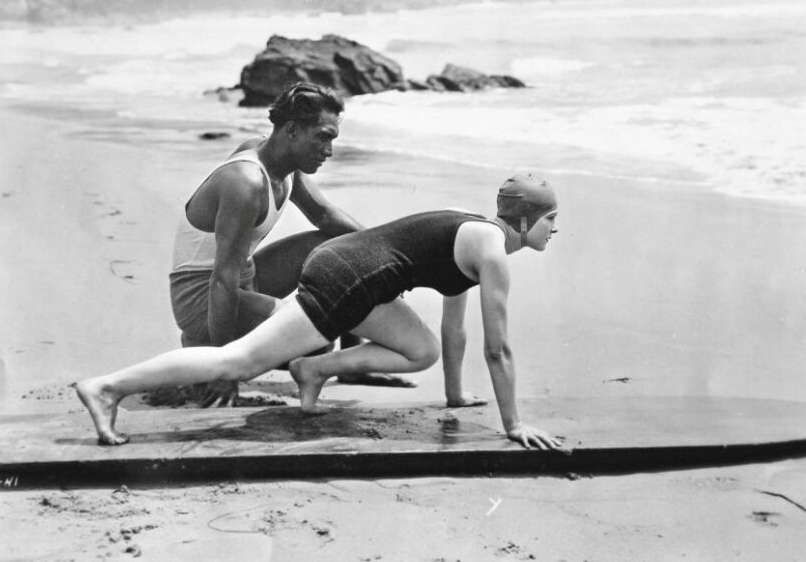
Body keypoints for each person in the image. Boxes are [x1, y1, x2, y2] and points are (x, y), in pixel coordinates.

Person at [76, 173, 562, 450]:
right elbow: (497, 350)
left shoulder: (480, 239)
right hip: (344, 277)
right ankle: (106, 388)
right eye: (550, 220)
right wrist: (514, 425)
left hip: (359, 274)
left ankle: (312, 369)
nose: (554, 230)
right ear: (524, 220)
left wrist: (456, 397)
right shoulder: (493, 252)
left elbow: (453, 329)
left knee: (422, 350)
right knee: (239, 362)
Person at [168, 81, 412, 406]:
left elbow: (324, 216)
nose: (329, 151)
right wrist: (224, 370)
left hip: (243, 278)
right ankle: (203, 346)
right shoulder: (246, 183)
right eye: (323, 137)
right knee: (315, 343)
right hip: (203, 297)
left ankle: (352, 361)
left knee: (340, 248)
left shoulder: (282, 165)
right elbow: (222, 280)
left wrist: (386, 257)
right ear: (293, 130)